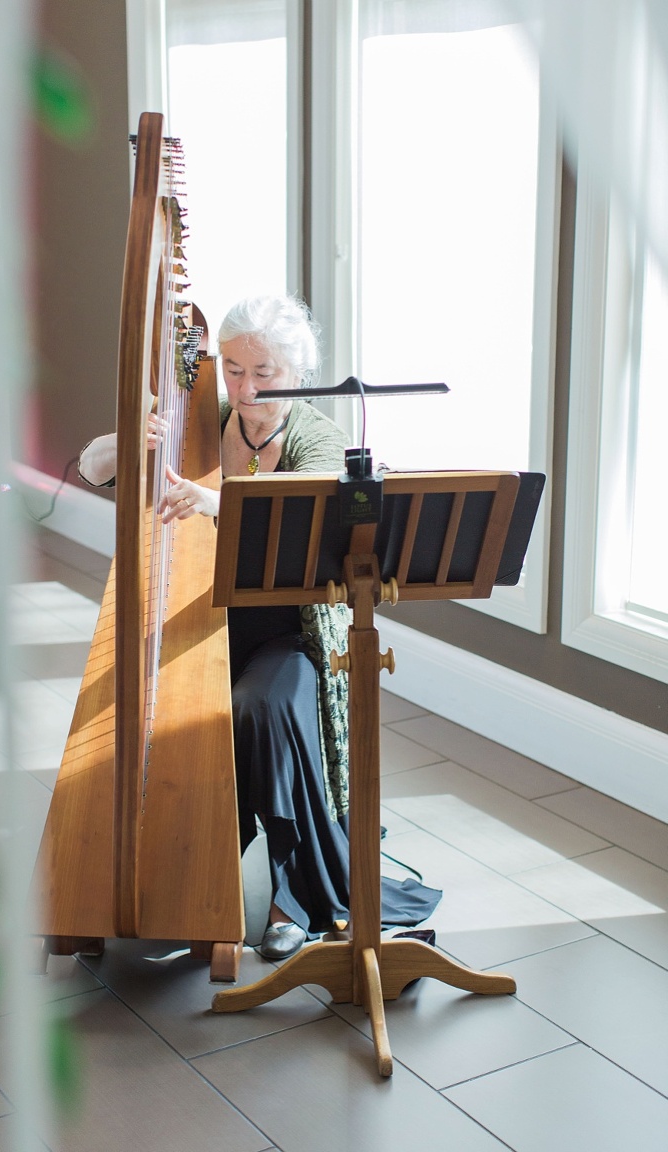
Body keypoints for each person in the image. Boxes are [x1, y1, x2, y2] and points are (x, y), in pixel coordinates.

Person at [78, 294, 441, 960]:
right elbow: (93, 468)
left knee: (261, 705)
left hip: (289, 634)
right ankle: (173, 872)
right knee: (141, 704)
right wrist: (128, 438)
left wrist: (211, 499)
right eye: (235, 369)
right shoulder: (203, 418)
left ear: (296, 371)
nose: (244, 388)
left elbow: (302, 520)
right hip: (208, 618)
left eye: (263, 373)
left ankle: (289, 899)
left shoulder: (316, 433)